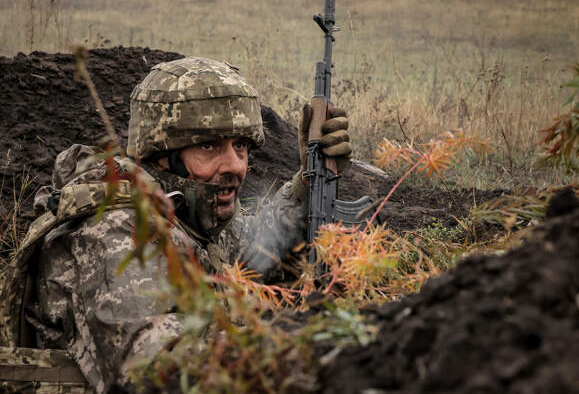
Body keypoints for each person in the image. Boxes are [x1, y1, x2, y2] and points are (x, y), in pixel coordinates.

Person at [0, 57, 352, 393]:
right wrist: (299, 348)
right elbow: (162, 374)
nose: (235, 166)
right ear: (161, 156)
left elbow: (253, 252)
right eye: (210, 146)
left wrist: (308, 184)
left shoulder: (184, 213)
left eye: (241, 146)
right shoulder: (118, 234)